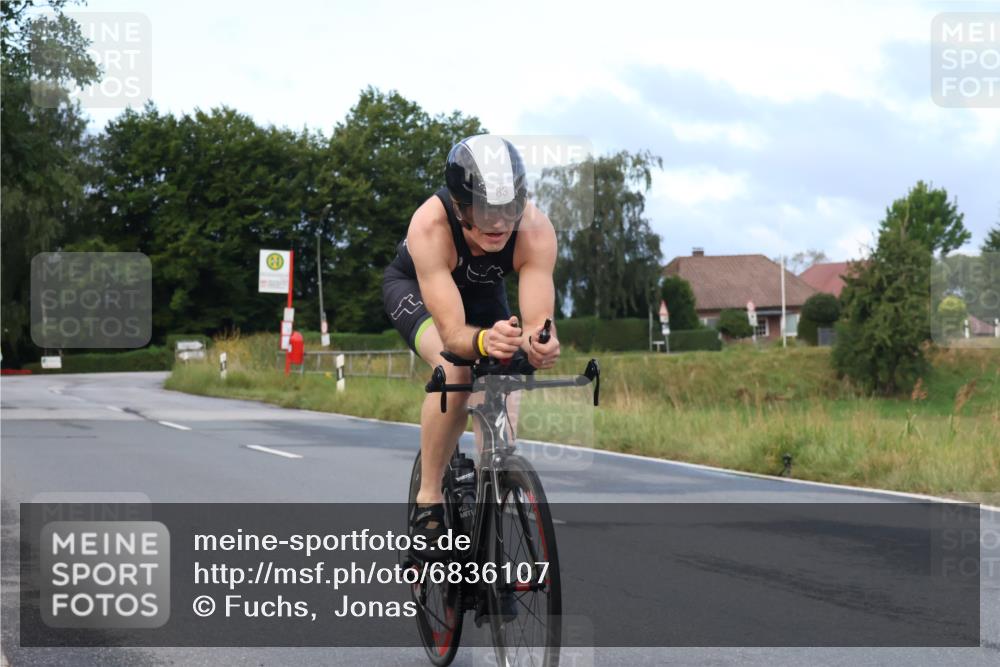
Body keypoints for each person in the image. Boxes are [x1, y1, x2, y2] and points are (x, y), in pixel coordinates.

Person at [382, 135, 561, 559]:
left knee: (506, 374)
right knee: (457, 369)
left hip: (483, 292)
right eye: (483, 211)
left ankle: (491, 486)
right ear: (459, 207)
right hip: (417, 290)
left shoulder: (536, 231)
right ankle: (429, 500)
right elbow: (454, 335)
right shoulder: (430, 226)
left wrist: (540, 343)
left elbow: (538, 322)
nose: (498, 223)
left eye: (508, 209)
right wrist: (482, 340)